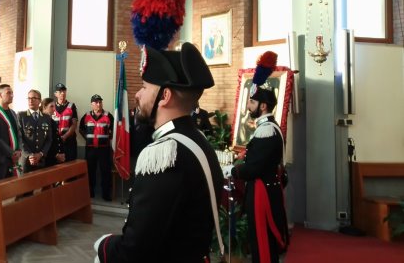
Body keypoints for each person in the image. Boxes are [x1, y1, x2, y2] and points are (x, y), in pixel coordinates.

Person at [94, 43, 223, 262]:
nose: (137, 94)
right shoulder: (198, 139)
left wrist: (104, 245)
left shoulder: (165, 154)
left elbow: (135, 250)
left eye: (144, 87)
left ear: (165, 96)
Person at [225, 79, 289, 262]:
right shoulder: (266, 128)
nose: (247, 106)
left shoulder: (266, 130)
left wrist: (233, 171)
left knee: (262, 238)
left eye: (252, 102)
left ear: (263, 106)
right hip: (263, 188)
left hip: (262, 191)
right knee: (260, 238)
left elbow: (255, 167)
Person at [80, 94, 113, 201]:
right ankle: (90, 192)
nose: (99, 104)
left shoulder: (108, 116)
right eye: (96, 102)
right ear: (92, 104)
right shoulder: (86, 116)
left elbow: (114, 131)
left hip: (104, 149)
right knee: (90, 171)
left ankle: (106, 194)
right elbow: (81, 129)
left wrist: (107, 138)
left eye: (100, 102)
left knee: (106, 171)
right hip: (90, 149)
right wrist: (88, 138)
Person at [17, 89, 53, 173]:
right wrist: (30, 155)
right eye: (29, 98)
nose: (30, 100)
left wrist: (41, 154)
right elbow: (20, 138)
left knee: (40, 184)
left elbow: (49, 139)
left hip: (41, 160)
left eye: (33, 98)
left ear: (39, 101)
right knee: (25, 185)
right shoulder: (21, 116)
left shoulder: (46, 117)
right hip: (26, 160)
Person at [52, 83, 78, 161]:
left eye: (64, 90)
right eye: (60, 91)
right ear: (55, 94)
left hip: (69, 141)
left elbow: (74, 124)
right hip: (55, 142)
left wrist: (65, 136)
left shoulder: (71, 106)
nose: (62, 93)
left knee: (70, 165)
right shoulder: (52, 106)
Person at [42, 98, 65, 166]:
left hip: (55, 157)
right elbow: (44, 141)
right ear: (44, 107)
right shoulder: (42, 121)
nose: (54, 109)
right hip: (47, 157)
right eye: (51, 106)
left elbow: (57, 138)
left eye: (54, 106)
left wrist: (62, 152)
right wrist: (56, 154)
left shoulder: (52, 121)